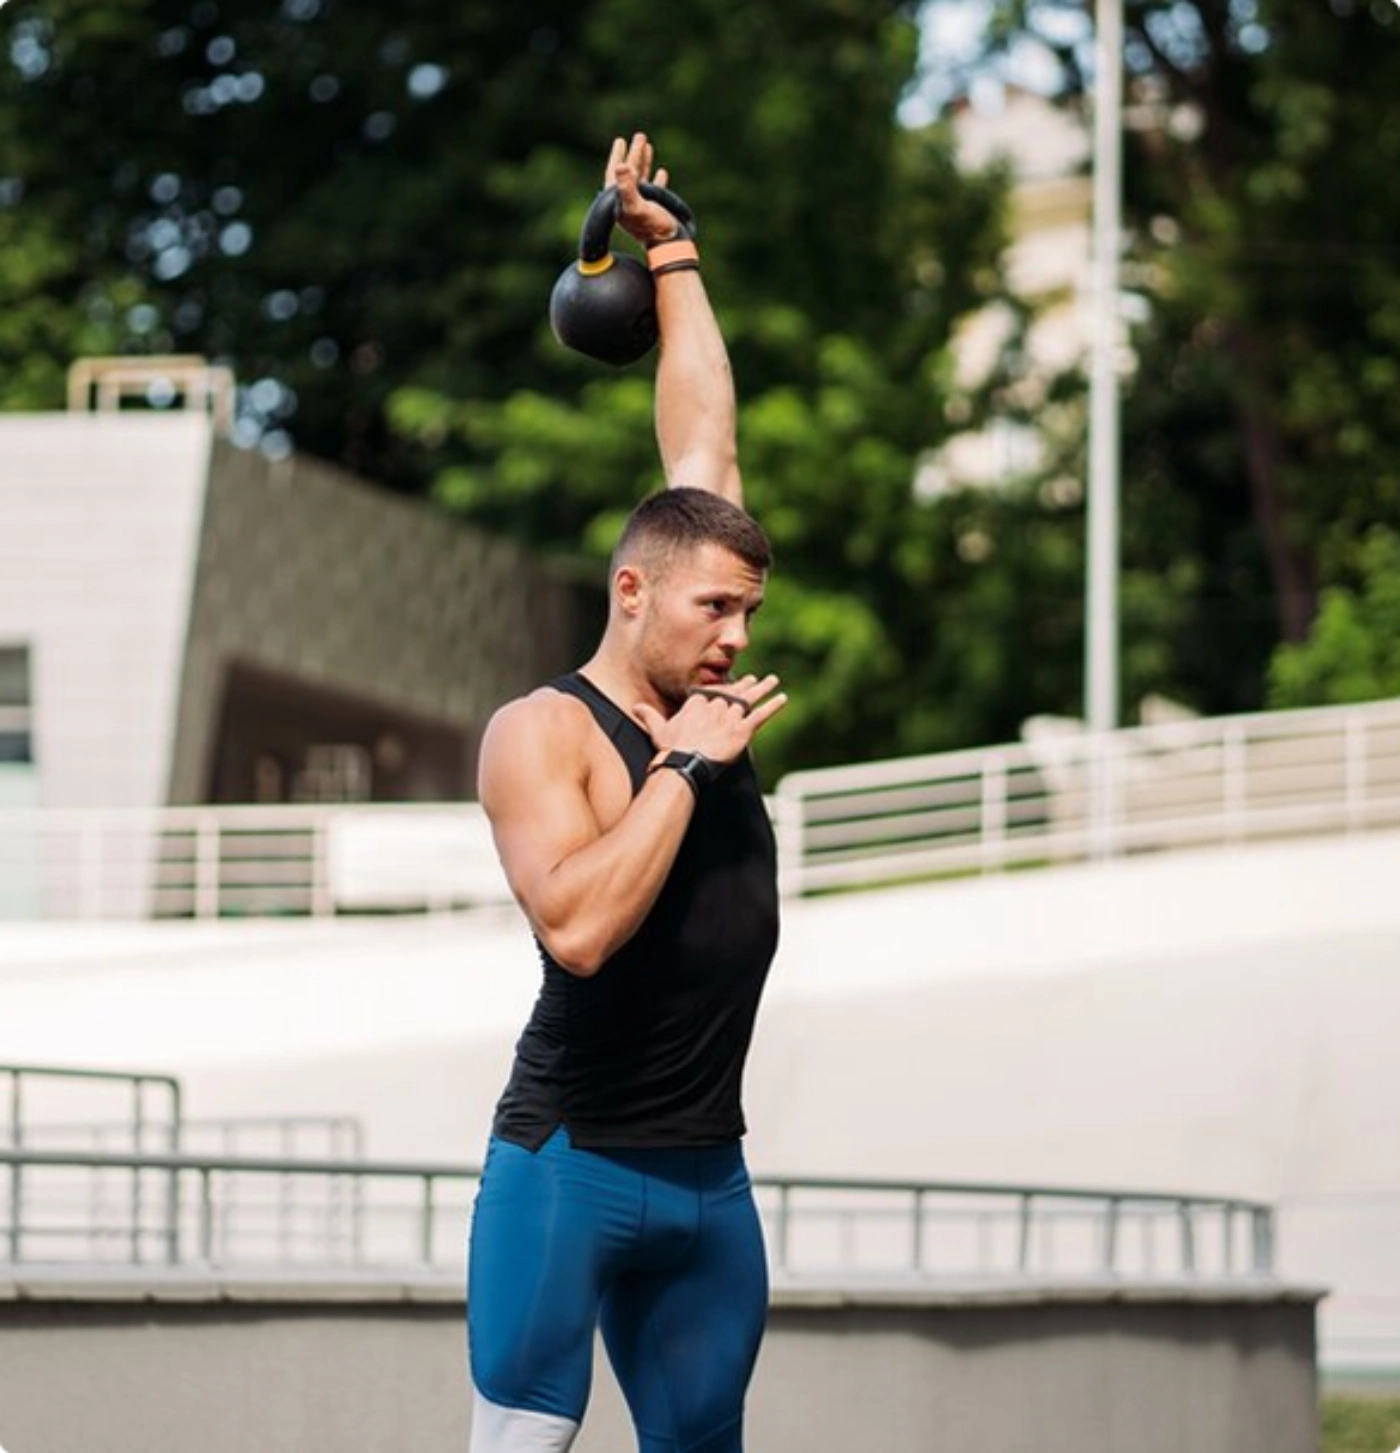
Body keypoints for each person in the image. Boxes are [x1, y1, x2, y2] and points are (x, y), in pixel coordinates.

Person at [466, 132, 788, 1453]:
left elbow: (702, 426)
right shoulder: (541, 733)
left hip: (711, 1185)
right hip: (569, 1175)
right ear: (632, 591)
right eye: (716, 609)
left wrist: (673, 254)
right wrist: (682, 771)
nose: (737, 638)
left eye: (749, 613)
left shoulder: (704, 666)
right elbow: (582, 931)